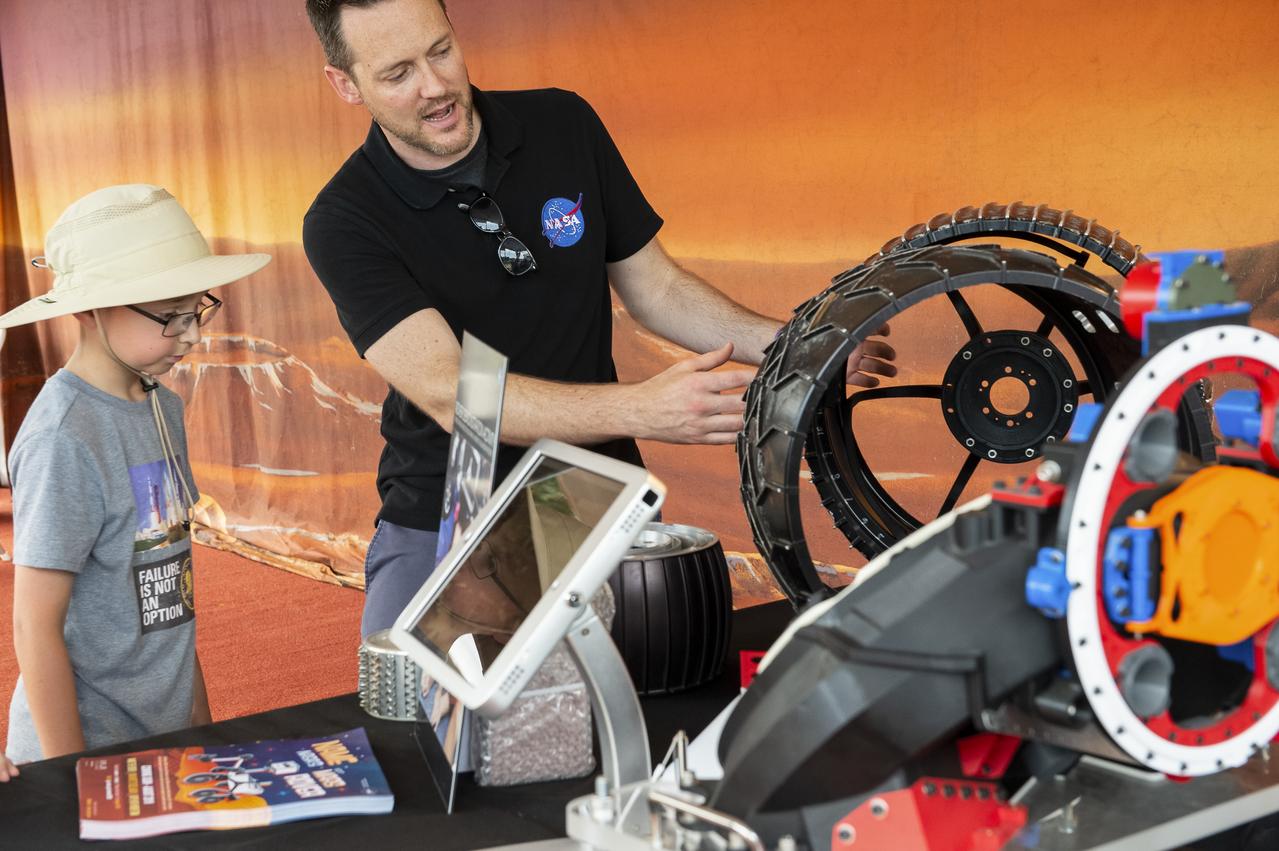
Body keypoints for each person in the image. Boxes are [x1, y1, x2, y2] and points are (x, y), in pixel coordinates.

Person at [301, 0, 895, 637]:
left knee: (660, 692)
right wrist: (643, 410)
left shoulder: (563, 122)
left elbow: (658, 290)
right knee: (412, 714)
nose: (436, 86)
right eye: (397, 74)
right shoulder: (342, 220)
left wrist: (798, 346)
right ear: (346, 84)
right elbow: (454, 394)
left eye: (441, 50)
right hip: (450, 504)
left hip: (590, 486)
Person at [0, 185, 271, 765]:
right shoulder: (63, 439)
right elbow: (34, 628)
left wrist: (201, 733)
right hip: (88, 750)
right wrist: (73, 775)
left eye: (197, 310)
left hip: (164, 739)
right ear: (91, 310)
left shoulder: (160, 405)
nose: (193, 335)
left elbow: (172, 592)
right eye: (170, 317)